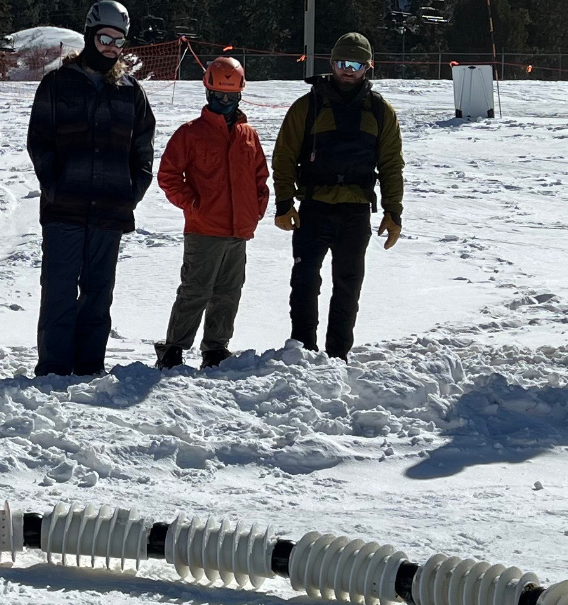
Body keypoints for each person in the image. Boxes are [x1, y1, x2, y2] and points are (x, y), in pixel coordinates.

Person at [26, 0, 155, 377]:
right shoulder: (57, 84)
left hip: (110, 210)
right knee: (59, 291)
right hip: (63, 207)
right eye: (104, 38)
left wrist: (132, 192)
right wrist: (54, 186)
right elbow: (40, 142)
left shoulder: (130, 91)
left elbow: (143, 148)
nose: (111, 47)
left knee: (99, 292)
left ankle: (89, 366)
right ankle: (53, 368)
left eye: (118, 41)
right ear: (89, 35)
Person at [270, 32, 403, 359]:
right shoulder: (308, 106)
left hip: (355, 214)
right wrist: (284, 203)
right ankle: (302, 350)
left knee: (348, 287)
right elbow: (284, 155)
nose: (348, 70)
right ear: (332, 63)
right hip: (312, 210)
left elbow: (390, 164)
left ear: (367, 67)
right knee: (304, 283)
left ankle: (337, 356)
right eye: (342, 62)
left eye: (356, 64)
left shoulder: (381, 112)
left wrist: (393, 211)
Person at [154, 56, 267, 369]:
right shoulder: (190, 133)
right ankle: (174, 348)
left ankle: (216, 348)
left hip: (239, 230)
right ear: (207, 94)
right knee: (195, 291)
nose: (225, 102)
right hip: (204, 229)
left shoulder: (249, 135)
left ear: (240, 94)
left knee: (229, 292)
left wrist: (257, 208)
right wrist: (192, 205)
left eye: (231, 97)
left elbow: (260, 177)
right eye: (218, 96)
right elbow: (168, 175)